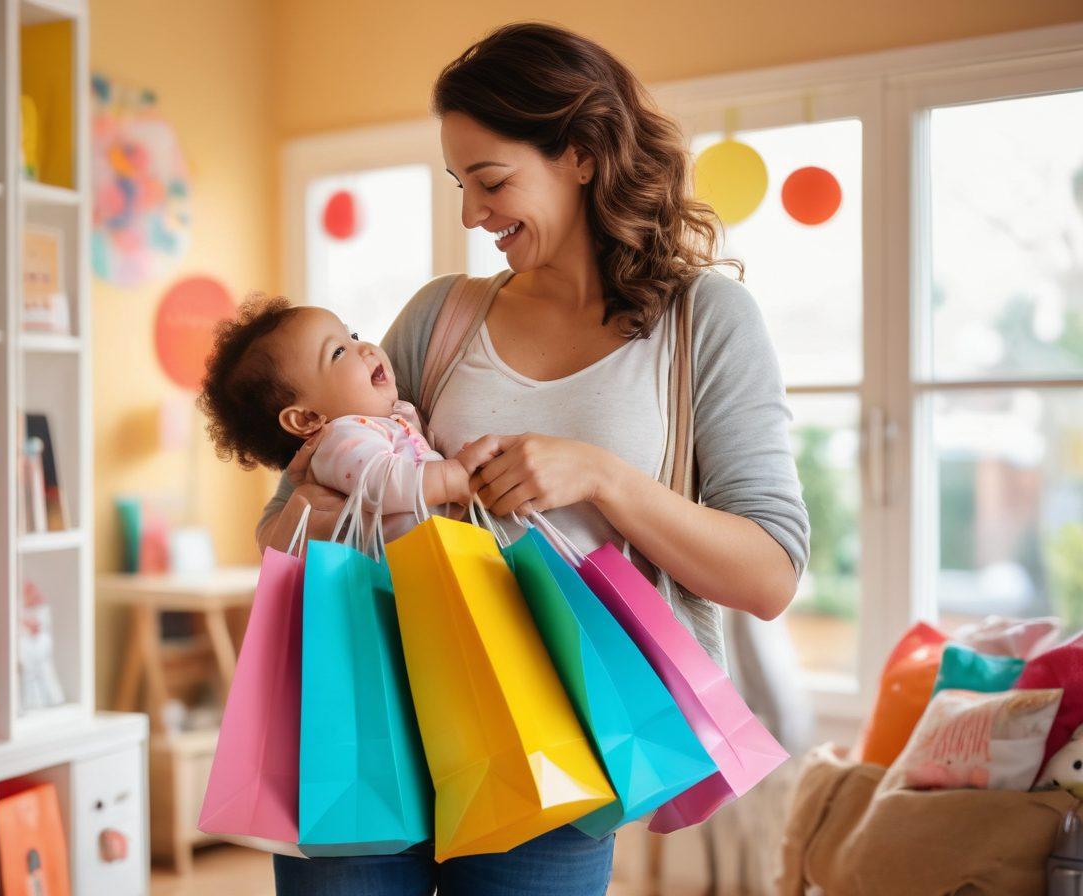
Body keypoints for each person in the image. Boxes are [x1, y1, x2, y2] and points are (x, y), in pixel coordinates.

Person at [259, 22, 810, 896]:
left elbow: (770, 577)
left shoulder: (704, 321)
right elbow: (288, 513)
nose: (472, 215)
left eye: (491, 181)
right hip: (372, 719)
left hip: (557, 746)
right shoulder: (440, 317)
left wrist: (601, 476)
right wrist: (362, 502)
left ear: (582, 155)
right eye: (458, 185)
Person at [197, 297, 476, 540]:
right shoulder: (339, 441)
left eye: (352, 336)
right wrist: (456, 477)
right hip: (401, 579)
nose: (365, 347)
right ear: (307, 418)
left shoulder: (386, 419)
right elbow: (383, 482)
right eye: (338, 352)